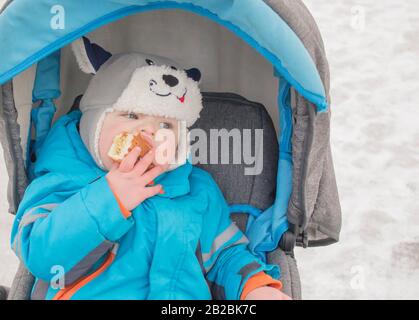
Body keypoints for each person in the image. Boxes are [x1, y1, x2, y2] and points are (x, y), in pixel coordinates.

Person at [11, 46, 291, 300]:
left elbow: (224, 255)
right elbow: (42, 257)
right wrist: (109, 198)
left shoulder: (197, 190)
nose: (149, 133)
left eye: (166, 126)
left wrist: (255, 285)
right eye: (131, 116)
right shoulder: (63, 177)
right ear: (94, 123)